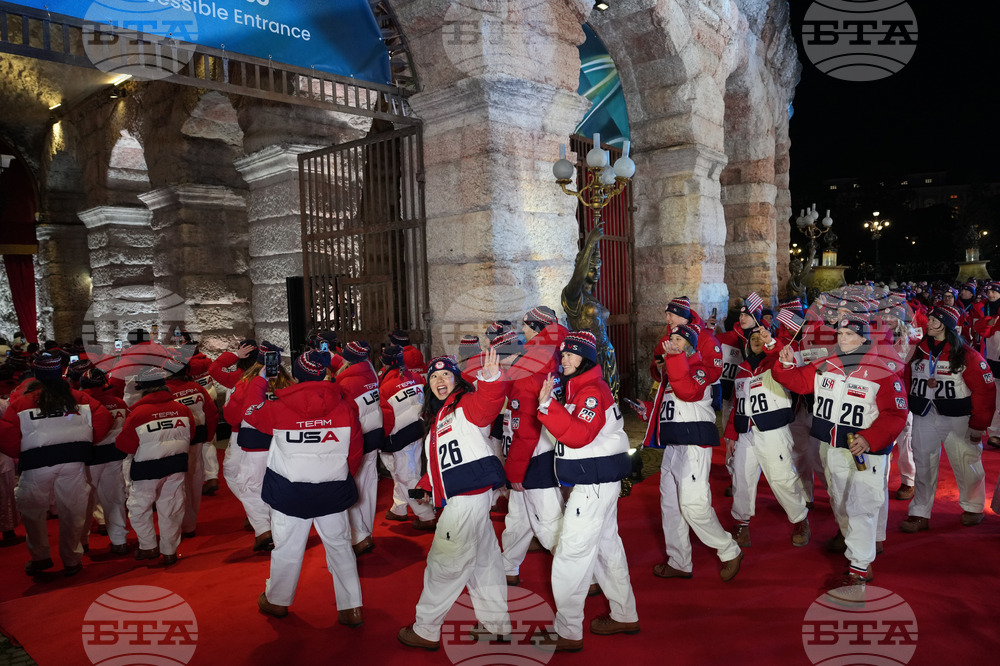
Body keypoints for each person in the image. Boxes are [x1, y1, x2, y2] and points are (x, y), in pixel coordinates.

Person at [773, 314, 908, 600]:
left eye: (849, 335)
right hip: (831, 446)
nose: (843, 339)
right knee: (840, 500)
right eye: (840, 334)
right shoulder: (826, 364)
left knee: (862, 504)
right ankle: (857, 547)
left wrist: (870, 438)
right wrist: (785, 363)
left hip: (865, 451)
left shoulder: (882, 371)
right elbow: (797, 382)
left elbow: (896, 414)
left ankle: (859, 567)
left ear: (863, 339)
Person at [397, 351, 510, 651]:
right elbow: (440, 460)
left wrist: (490, 380)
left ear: (457, 378)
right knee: (485, 562)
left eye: (446, 374)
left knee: (443, 563)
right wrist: (426, 484)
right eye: (434, 376)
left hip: (465, 500)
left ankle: (426, 629)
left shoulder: (466, 404)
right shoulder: (441, 415)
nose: (439, 380)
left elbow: (488, 406)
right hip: (470, 497)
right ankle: (496, 625)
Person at [536, 331, 638, 652]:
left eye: (570, 355)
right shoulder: (582, 388)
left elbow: (578, 435)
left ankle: (567, 630)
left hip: (593, 486)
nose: (563, 359)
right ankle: (625, 614)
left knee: (571, 554)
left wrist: (547, 406)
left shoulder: (591, 391)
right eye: (562, 354)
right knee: (608, 550)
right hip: (597, 483)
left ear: (586, 359)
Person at [247, 350, 366, 624]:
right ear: (323, 373)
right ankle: (351, 608)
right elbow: (355, 451)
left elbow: (250, 413)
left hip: (290, 492)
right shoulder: (345, 405)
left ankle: (277, 601)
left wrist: (260, 380)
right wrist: (337, 476)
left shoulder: (277, 406)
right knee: (339, 546)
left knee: (287, 548)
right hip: (332, 490)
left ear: (297, 375)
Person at [643, 325, 744, 583]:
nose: (672, 342)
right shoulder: (670, 372)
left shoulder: (700, 370)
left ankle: (729, 550)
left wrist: (674, 359)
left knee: (693, 505)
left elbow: (688, 391)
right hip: (673, 445)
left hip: (694, 446)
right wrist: (648, 411)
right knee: (671, 507)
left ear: (690, 345)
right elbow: (672, 406)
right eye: (671, 338)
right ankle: (679, 561)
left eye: (678, 339)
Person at [0, 353, 113, 576]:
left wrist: (22, 454)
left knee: (33, 511)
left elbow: (7, 433)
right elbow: (103, 419)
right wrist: (85, 445)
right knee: (73, 511)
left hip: (36, 465)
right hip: (73, 462)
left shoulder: (21, 401)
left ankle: (40, 557)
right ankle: (72, 559)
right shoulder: (79, 398)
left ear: (37, 374)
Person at [901, 305, 995, 532]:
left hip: (958, 418)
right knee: (923, 464)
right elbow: (905, 381)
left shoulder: (967, 354)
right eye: (930, 319)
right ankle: (919, 512)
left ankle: (973, 507)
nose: (930, 324)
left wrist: (978, 425)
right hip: (924, 414)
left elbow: (985, 391)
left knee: (967, 462)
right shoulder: (917, 351)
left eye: (935, 321)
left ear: (948, 326)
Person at [500, 306, 567, 586]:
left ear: (538, 328)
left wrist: (515, 471)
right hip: (547, 441)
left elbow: (525, 428)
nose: (523, 331)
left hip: (534, 453)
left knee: (550, 523)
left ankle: (584, 578)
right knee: (518, 516)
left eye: (526, 326)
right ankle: (507, 568)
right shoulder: (554, 353)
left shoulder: (530, 367)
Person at [115, 367, 194, 566]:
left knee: (139, 506)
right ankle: (169, 550)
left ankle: (148, 545)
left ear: (142, 389)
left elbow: (124, 445)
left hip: (146, 468)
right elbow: (190, 434)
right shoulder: (182, 409)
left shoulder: (138, 413)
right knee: (172, 506)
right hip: (176, 464)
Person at [225, 342, 292, 552]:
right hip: (282, 444)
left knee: (249, 486)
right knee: (279, 486)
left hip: (254, 445)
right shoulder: (289, 383)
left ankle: (264, 529)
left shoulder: (245, 383)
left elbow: (232, 416)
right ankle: (279, 528)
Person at [333, 341, 384, 556]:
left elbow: (345, 416)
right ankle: (366, 533)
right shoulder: (370, 374)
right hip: (374, 435)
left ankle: (360, 536)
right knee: (369, 487)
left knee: (353, 490)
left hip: (357, 440)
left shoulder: (346, 383)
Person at [378, 344, 435, 529]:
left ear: (383, 362)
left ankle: (427, 515)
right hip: (417, 430)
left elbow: (385, 419)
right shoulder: (417, 377)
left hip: (399, 437)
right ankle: (399, 509)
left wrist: (382, 442)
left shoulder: (385, 387)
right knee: (408, 472)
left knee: (406, 476)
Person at [164, 348, 218, 538]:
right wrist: (208, 436)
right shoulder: (197, 389)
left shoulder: (164, 393)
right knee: (194, 480)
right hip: (196, 440)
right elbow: (212, 412)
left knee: (175, 484)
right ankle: (190, 523)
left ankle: (180, 524)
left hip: (172, 443)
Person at [79, 368, 130, 555]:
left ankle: (82, 543)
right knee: (115, 500)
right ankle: (119, 541)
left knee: (84, 503)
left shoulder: (79, 405)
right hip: (115, 456)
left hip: (88, 458)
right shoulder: (119, 403)